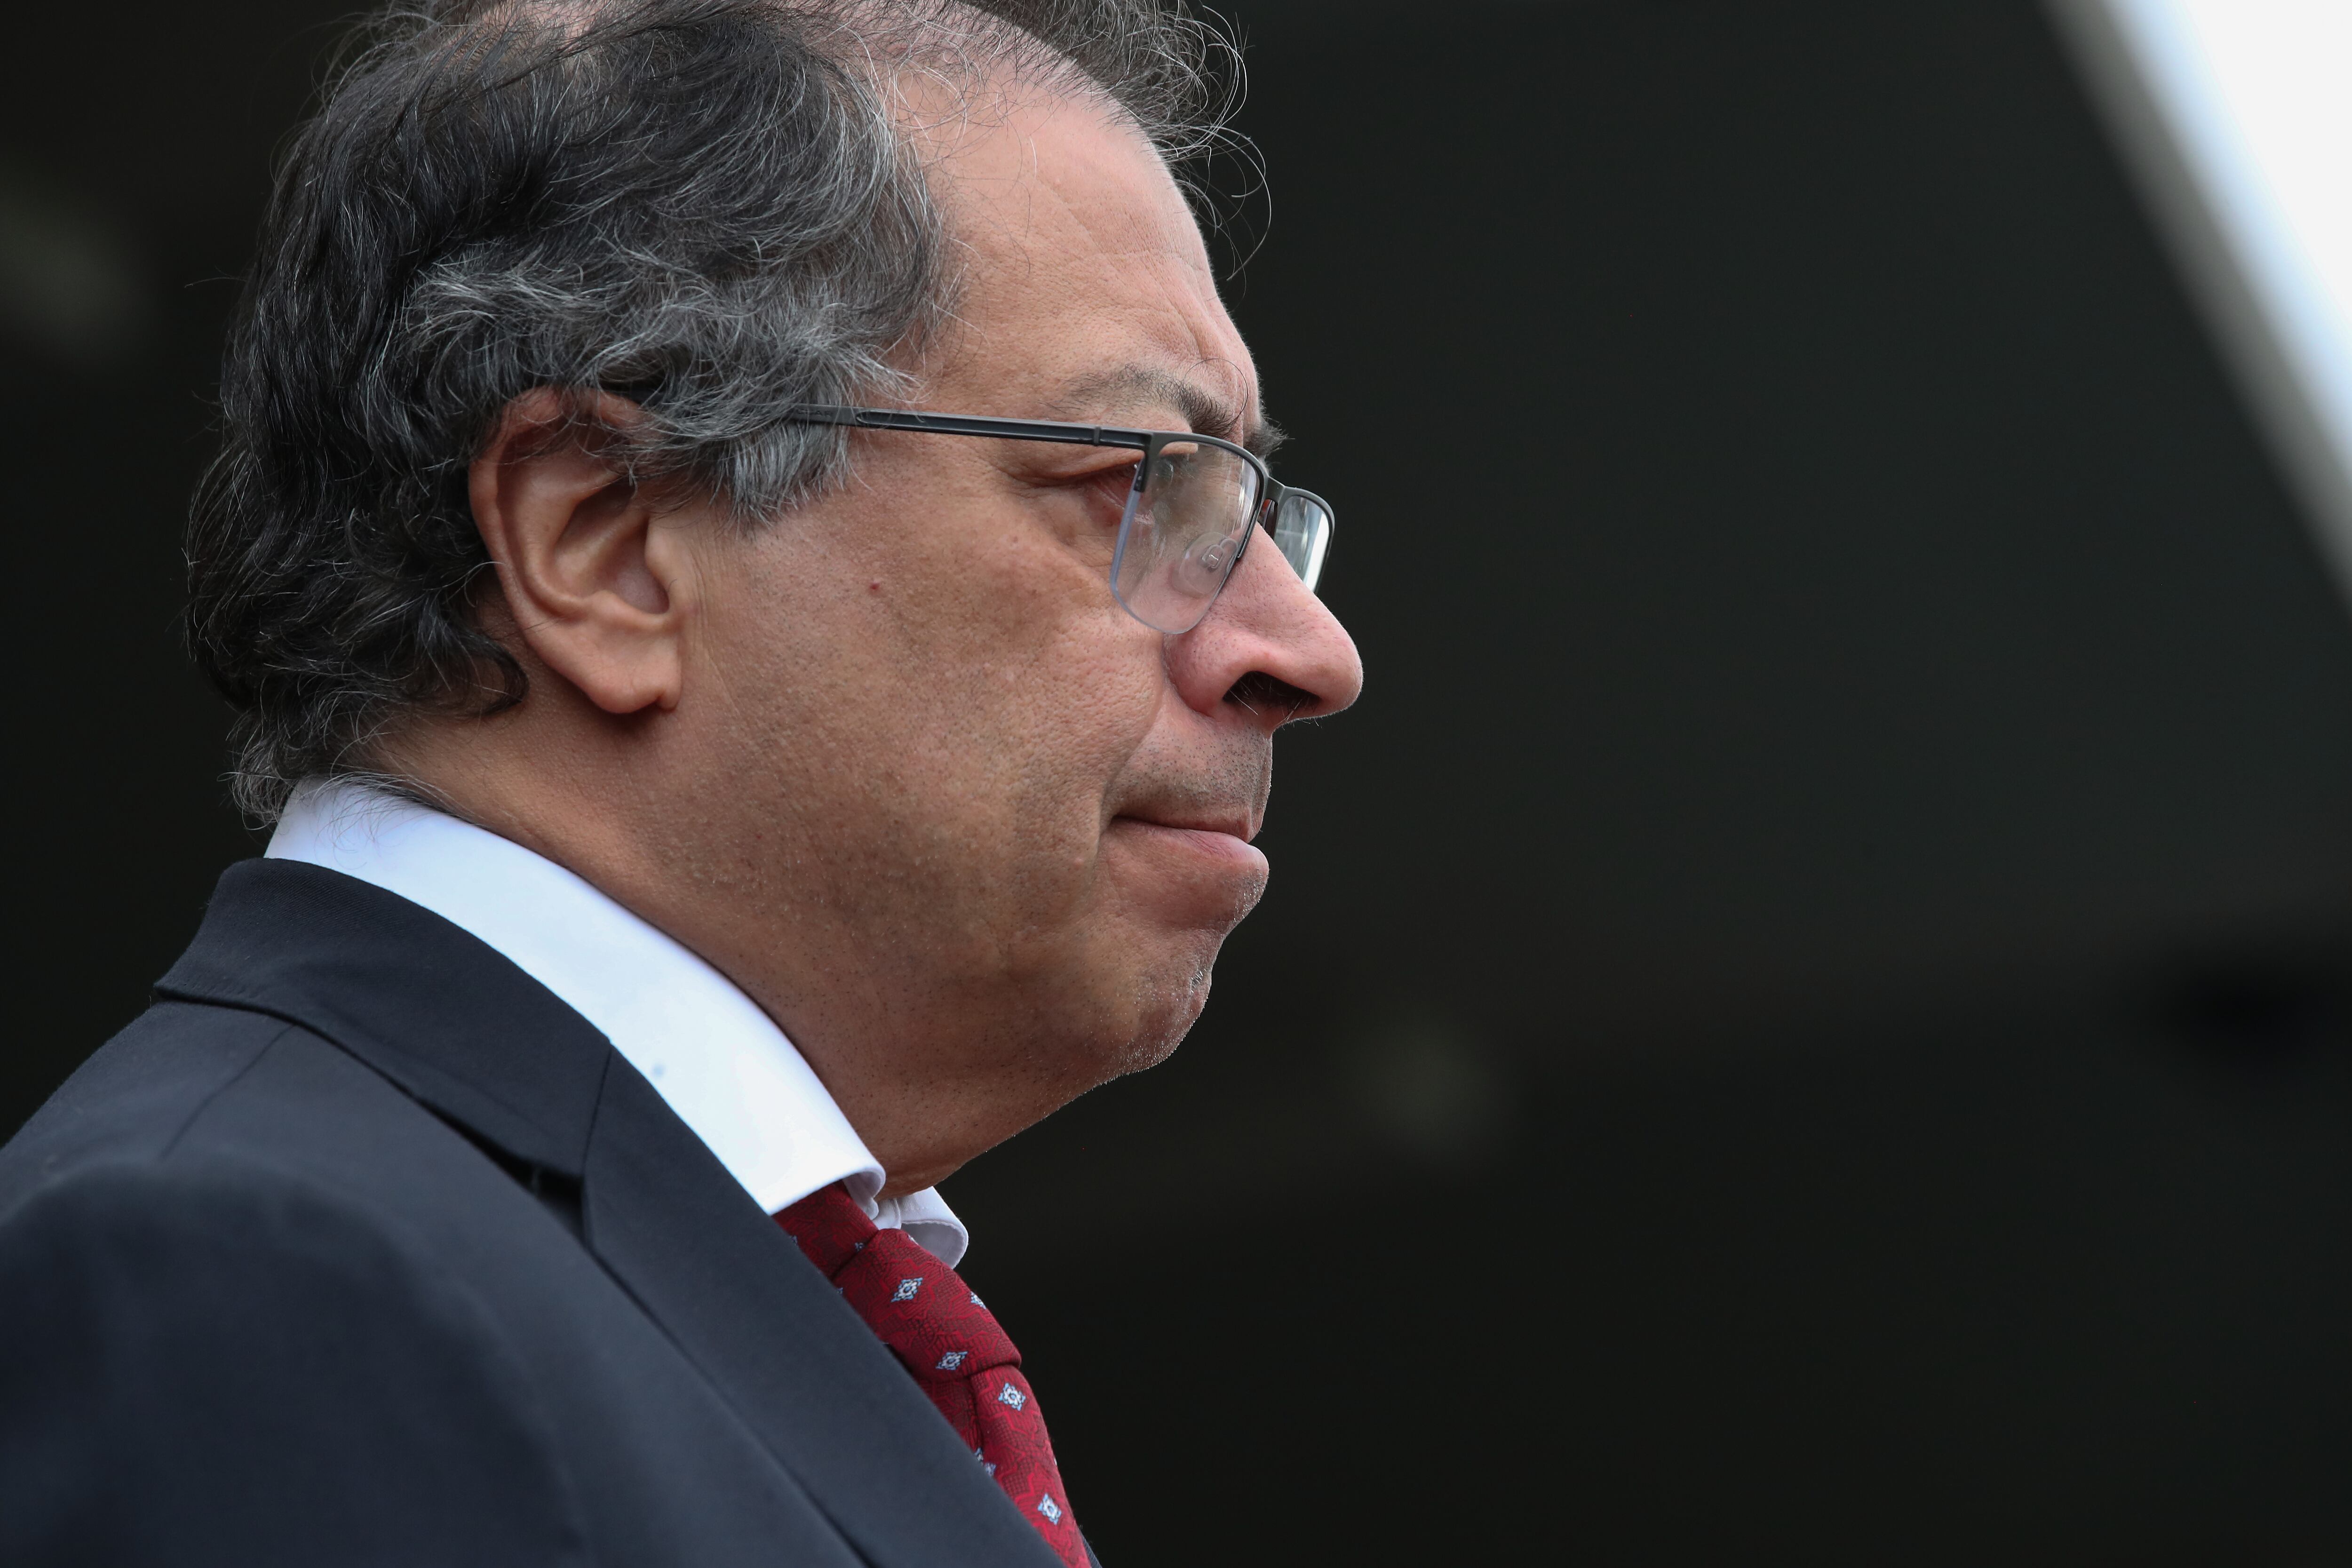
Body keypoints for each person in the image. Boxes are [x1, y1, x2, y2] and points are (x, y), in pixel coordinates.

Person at [0, 0, 1361, 1562]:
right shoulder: (243, 1282)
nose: (1308, 648)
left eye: (1255, 512)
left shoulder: (716, 1281)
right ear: (604, 543)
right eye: (1138, 484)